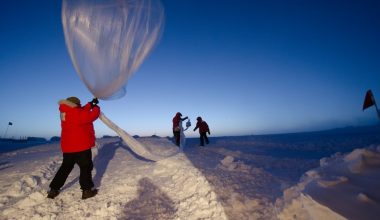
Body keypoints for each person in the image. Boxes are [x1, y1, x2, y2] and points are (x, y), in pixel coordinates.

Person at [47, 97, 100, 200]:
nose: (80, 105)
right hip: (81, 147)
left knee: (65, 168)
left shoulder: (65, 112)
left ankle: (53, 189)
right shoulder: (78, 113)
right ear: (75, 104)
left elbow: (80, 112)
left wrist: (90, 104)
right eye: (79, 104)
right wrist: (96, 107)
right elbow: (92, 115)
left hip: (68, 148)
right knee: (85, 168)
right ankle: (87, 191)